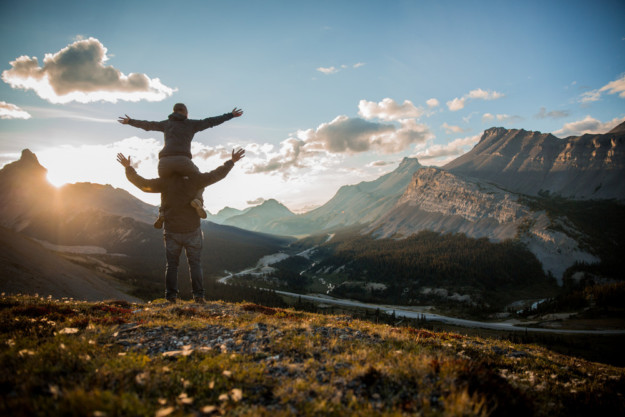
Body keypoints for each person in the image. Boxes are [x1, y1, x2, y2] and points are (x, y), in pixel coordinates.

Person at [116, 148, 245, 304]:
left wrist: (128, 168)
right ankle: (198, 296)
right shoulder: (195, 179)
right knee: (195, 264)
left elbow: (142, 185)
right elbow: (217, 174)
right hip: (192, 229)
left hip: (171, 230)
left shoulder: (164, 182)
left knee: (172, 265)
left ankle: (171, 297)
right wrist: (231, 162)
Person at [118, 103, 243, 227]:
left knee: (165, 184)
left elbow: (148, 125)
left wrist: (130, 121)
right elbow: (211, 122)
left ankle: (162, 213)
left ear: (173, 111)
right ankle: (198, 200)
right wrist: (230, 115)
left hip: (164, 163)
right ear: (186, 113)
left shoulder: (166, 124)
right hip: (183, 161)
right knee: (200, 180)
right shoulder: (191, 124)